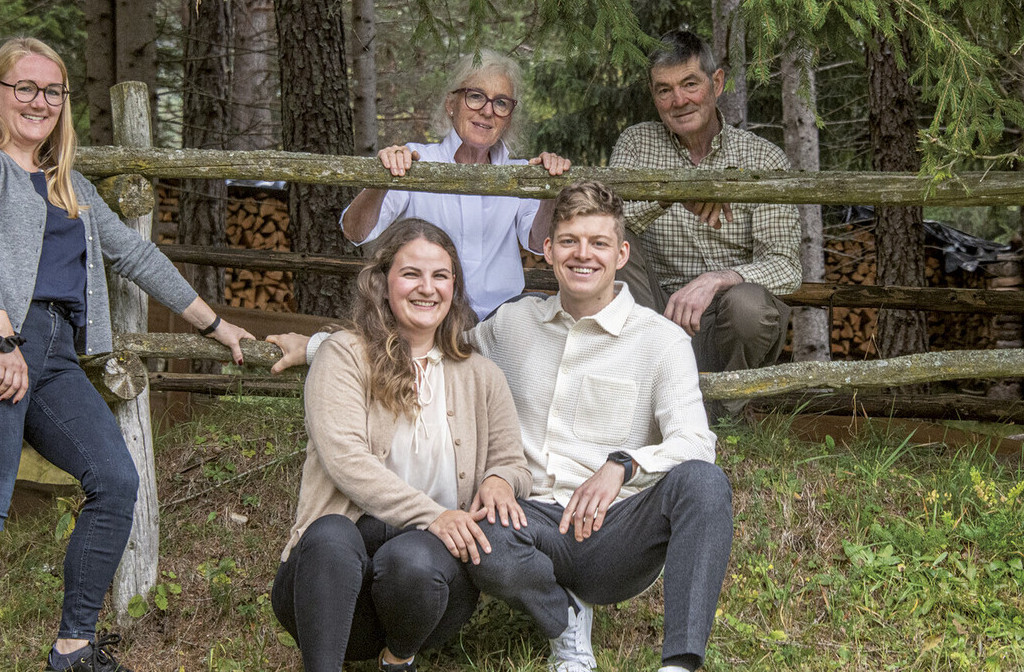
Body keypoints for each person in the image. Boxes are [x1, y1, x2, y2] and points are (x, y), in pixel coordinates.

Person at [269, 183, 732, 672]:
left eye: (598, 243)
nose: (583, 254)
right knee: (482, 523)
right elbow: (429, 343)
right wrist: (318, 347)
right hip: (525, 521)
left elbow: (695, 441)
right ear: (548, 250)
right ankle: (564, 619)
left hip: (614, 525)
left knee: (704, 481)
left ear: (621, 254)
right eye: (569, 241)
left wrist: (624, 465)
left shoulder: (662, 341)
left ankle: (680, 664)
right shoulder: (512, 324)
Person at [0, 37, 256, 672]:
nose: (39, 102)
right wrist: (1, 337)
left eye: (52, 91)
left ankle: (73, 648)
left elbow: (134, 254)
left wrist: (215, 324)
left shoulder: (68, 184)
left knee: (116, 479)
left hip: (52, 353)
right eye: (24, 87)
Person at [272, 218, 531, 672]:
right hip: (328, 588)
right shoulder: (344, 355)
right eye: (411, 274)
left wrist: (499, 479)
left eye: (440, 276)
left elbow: (513, 462)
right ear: (382, 282)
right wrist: (434, 515)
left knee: (412, 558)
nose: (427, 288)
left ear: (454, 287)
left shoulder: (481, 374)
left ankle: (398, 661)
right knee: (331, 534)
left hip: (428, 588)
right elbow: (346, 460)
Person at [609, 30, 800, 374]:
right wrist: (670, 195)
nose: (679, 100)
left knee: (748, 306)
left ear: (717, 83)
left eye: (690, 84)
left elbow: (785, 267)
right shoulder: (637, 144)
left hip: (730, 318)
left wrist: (715, 280)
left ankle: (730, 404)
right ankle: (651, 388)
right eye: (664, 90)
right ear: (653, 95)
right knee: (612, 238)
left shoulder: (762, 157)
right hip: (654, 312)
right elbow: (602, 227)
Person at [341, 49, 573, 318]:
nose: (487, 111)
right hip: (431, 317)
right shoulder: (416, 161)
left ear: (509, 117)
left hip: (500, 322)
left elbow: (538, 242)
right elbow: (355, 232)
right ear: (451, 104)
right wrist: (382, 178)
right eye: (475, 96)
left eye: (501, 103)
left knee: (539, 311)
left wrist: (549, 187)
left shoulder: (521, 173)